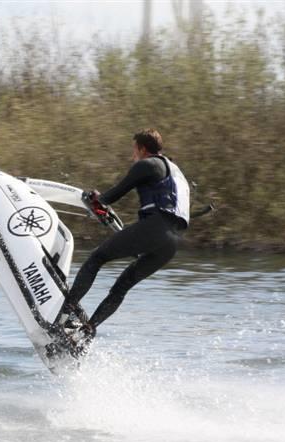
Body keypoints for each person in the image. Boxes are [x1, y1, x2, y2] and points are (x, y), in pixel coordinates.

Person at [61, 129, 190, 336]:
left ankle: (64, 312)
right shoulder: (176, 172)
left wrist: (95, 197)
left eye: (134, 150)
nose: (133, 156)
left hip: (155, 228)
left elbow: (113, 195)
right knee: (122, 287)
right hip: (172, 242)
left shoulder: (147, 164)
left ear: (142, 148)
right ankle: (87, 331)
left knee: (97, 257)